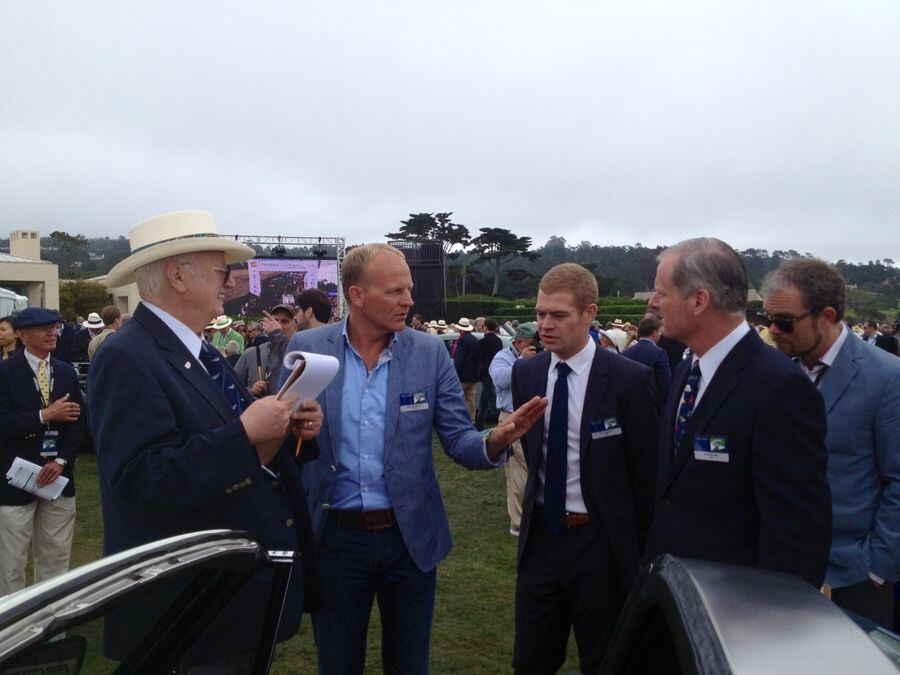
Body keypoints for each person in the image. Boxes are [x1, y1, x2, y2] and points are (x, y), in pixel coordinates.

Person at [280, 243, 546, 675]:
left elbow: (458, 438)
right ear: (358, 295)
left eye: (409, 289)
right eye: (395, 291)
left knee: (409, 664)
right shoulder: (308, 347)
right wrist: (296, 431)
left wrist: (495, 439)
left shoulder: (428, 352)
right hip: (334, 540)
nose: (409, 300)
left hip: (408, 540)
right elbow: (280, 442)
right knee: (337, 662)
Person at [88, 210, 323, 668]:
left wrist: (289, 431)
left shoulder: (196, 349)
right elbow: (140, 480)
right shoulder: (127, 356)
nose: (231, 282)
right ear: (178, 275)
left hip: (224, 599)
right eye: (222, 271)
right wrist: (245, 432)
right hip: (187, 611)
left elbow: (239, 452)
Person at [645, 238, 831, 588]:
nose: (653, 303)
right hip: (676, 597)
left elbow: (796, 535)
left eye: (661, 293)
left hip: (736, 611)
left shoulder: (780, 388)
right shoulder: (688, 370)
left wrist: (764, 626)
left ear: (699, 300)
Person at [510, 263, 659, 674]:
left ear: (589, 314)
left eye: (558, 315)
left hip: (600, 545)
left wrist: (639, 556)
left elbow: (646, 477)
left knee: (605, 660)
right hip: (541, 539)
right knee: (530, 661)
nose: (545, 325)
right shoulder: (527, 373)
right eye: (541, 314)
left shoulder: (630, 380)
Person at [762, 258, 900, 627]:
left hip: (851, 577)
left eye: (784, 321)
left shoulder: (886, 378)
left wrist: (876, 568)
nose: (773, 330)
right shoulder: (775, 372)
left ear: (825, 315)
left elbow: (898, 480)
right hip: (778, 571)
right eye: (767, 318)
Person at [0, 307, 83, 596]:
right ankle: (11, 626)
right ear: (22, 336)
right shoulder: (5, 372)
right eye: (42, 328)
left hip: (57, 478)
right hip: (14, 480)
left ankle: (51, 623)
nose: (52, 333)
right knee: (10, 562)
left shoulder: (63, 370)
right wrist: (43, 415)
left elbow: (77, 422)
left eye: (54, 327)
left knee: (56, 558)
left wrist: (61, 461)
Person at [489, 322, 538, 536]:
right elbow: (499, 380)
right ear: (517, 342)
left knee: (536, 467)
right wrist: (522, 362)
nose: (535, 346)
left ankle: (534, 515)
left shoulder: (537, 355)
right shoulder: (502, 357)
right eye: (530, 342)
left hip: (535, 415)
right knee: (518, 470)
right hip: (512, 416)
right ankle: (518, 522)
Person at [233, 304, 298, 399]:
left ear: (295, 327)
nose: (278, 326)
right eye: (275, 321)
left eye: (285, 321)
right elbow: (230, 385)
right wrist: (251, 390)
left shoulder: (299, 355)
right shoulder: (251, 353)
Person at [622, 316, 671, 404]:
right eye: (659, 332)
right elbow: (665, 384)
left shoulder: (626, 352)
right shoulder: (659, 353)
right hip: (652, 405)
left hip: (629, 404)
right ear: (654, 332)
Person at [474, 318, 503, 429]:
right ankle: (479, 424)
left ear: (485, 327)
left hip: (486, 374)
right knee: (484, 402)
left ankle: (504, 422)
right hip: (495, 372)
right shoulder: (498, 341)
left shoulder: (483, 342)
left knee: (492, 401)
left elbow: (477, 357)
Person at [453, 317, 480, 420]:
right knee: (470, 400)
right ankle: (471, 419)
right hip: (472, 375)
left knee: (455, 398)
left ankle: (457, 419)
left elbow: (459, 359)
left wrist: (456, 373)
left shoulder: (462, 340)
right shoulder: (474, 339)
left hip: (462, 376)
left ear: (461, 329)